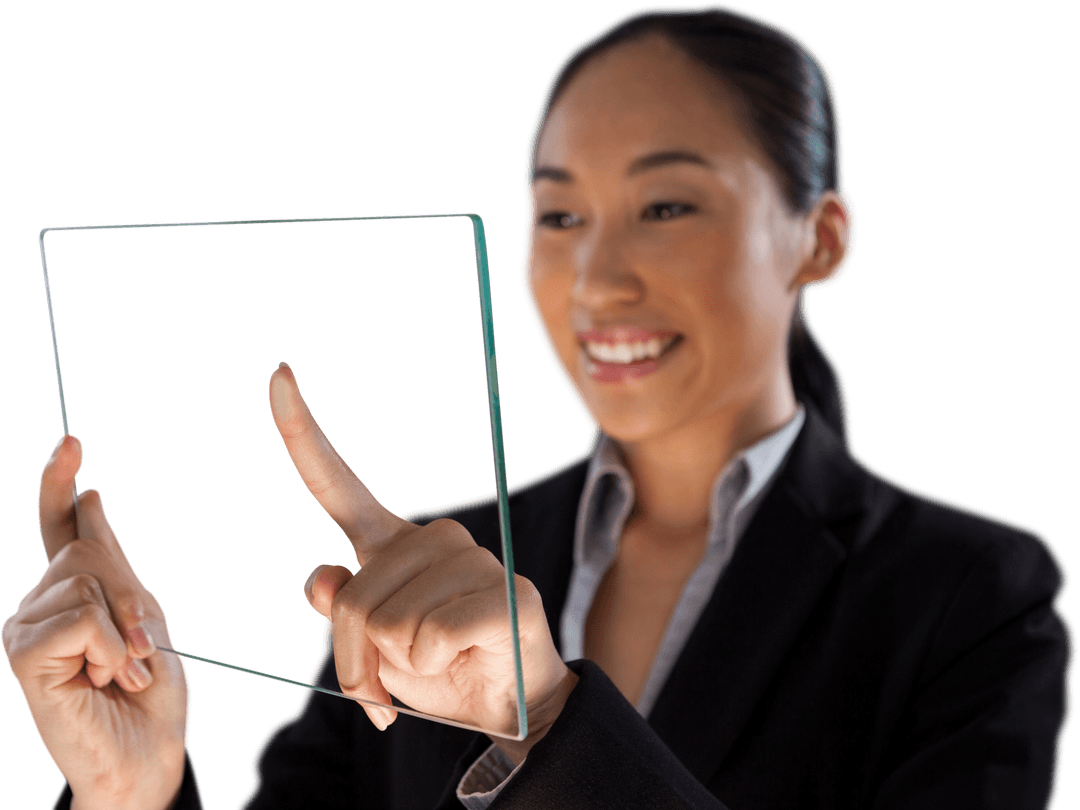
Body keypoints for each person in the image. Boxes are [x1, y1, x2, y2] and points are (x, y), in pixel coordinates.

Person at [3, 4, 1072, 809]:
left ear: (823, 238)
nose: (595, 280)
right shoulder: (432, 564)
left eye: (666, 205)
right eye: (558, 213)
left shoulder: (973, 598)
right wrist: (129, 791)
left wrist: (552, 725)